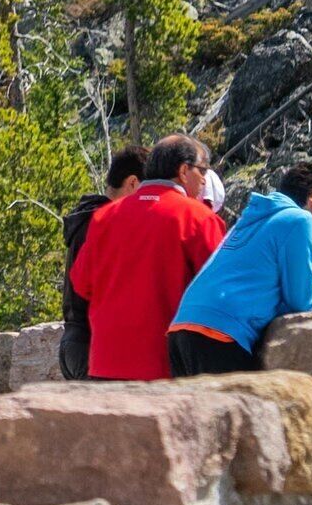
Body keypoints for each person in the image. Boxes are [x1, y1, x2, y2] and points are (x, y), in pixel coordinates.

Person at [168, 160, 312, 374]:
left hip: (183, 329)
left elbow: (280, 301)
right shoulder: (300, 219)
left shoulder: (256, 218)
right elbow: (301, 300)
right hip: (221, 333)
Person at [67, 133, 223, 382]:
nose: (204, 179)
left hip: (105, 365)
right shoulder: (198, 218)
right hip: (164, 368)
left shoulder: (104, 217)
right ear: (184, 171)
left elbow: (82, 284)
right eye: (202, 170)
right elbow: (219, 290)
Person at [56, 147, 144, 380]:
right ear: (133, 183)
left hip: (72, 341)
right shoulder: (108, 222)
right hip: (94, 348)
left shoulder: (86, 216)